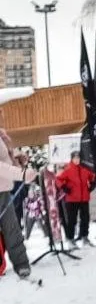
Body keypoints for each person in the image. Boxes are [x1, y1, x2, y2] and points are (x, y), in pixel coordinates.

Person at [0, 118, 37, 279]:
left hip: (4, 190)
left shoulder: (2, 136)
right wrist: (21, 174)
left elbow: (5, 160)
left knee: (12, 229)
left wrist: (17, 160)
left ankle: (22, 265)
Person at [55, 151, 95, 246]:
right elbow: (58, 179)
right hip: (72, 199)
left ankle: (85, 237)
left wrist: (92, 184)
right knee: (72, 220)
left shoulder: (84, 169)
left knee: (85, 219)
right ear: (72, 159)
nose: (77, 160)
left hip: (84, 198)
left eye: (78, 158)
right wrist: (64, 187)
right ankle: (70, 239)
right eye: (75, 158)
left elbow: (93, 176)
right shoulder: (68, 170)